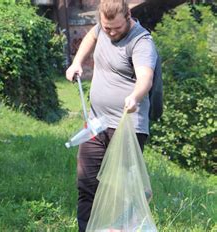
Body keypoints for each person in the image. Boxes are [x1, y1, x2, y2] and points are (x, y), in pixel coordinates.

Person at [65, 0, 158, 231]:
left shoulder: (141, 42)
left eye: (116, 27)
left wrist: (135, 97)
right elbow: (92, 36)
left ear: (128, 15)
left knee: (121, 192)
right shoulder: (102, 27)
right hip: (96, 123)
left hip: (127, 126)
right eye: (107, 28)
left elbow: (145, 77)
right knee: (86, 183)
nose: (112, 32)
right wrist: (77, 61)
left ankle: (120, 224)